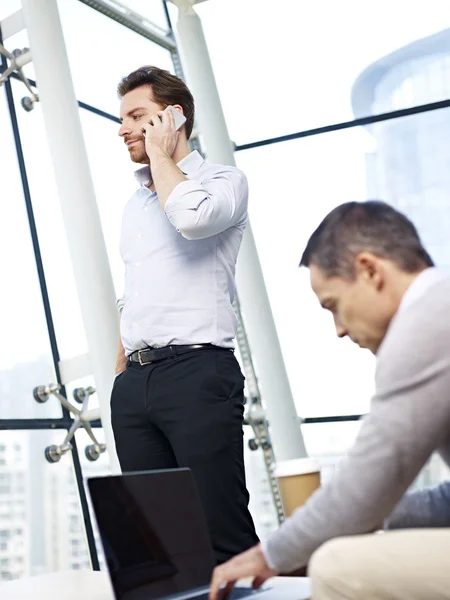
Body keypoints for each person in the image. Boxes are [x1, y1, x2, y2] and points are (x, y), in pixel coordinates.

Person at [209, 200, 450, 599]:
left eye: (333, 306)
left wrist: (269, 554)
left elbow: (368, 485)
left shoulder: (426, 322)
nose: (338, 329)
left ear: (370, 270)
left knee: (337, 566)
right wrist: (376, 517)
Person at [110, 65, 259, 564]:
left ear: (174, 117)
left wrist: (159, 154)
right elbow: (133, 290)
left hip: (198, 374)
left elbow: (192, 220)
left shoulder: (224, 181)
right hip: (137, 383)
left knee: (222, 532)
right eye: (122, 118)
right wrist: (121, 369)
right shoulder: (135, 204)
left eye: (138, 116)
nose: (123, 128)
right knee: (157, 544)